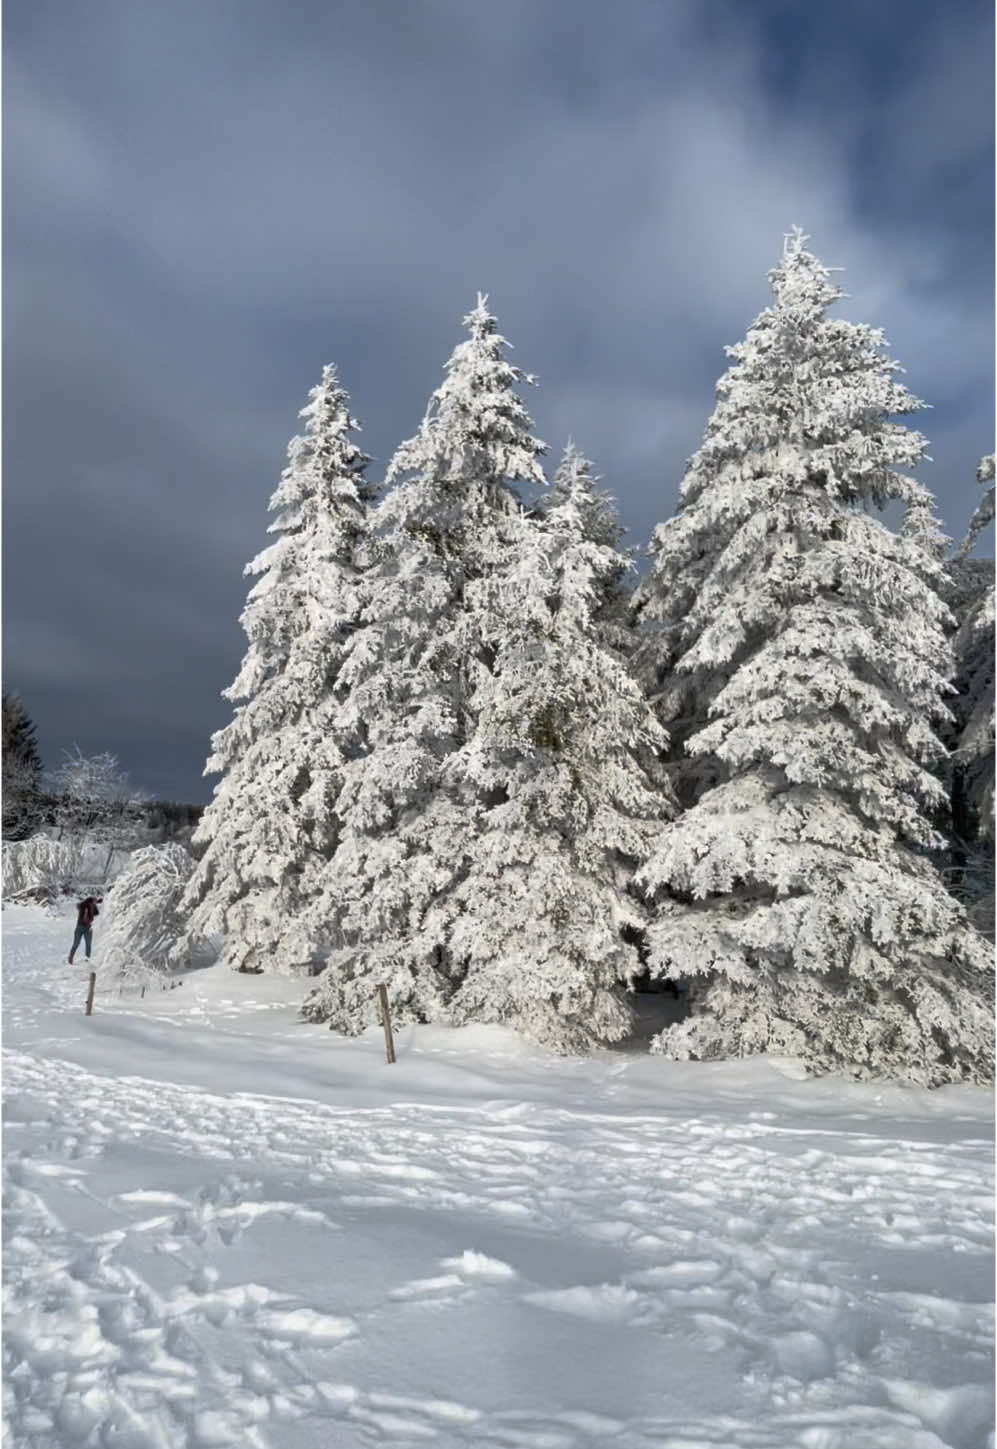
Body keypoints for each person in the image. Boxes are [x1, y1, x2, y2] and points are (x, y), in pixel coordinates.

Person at [69, 895, 101, 964]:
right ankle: (71, 958)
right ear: (92, 901)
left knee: (88, 944)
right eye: (95, 901)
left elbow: (97, 913)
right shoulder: (83, 905)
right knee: (77, 943)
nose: (96, 902)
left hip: (88, 927)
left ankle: (87, 960)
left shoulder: (93, 907)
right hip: (80, 926)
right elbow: (79, 905)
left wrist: (94, 906)